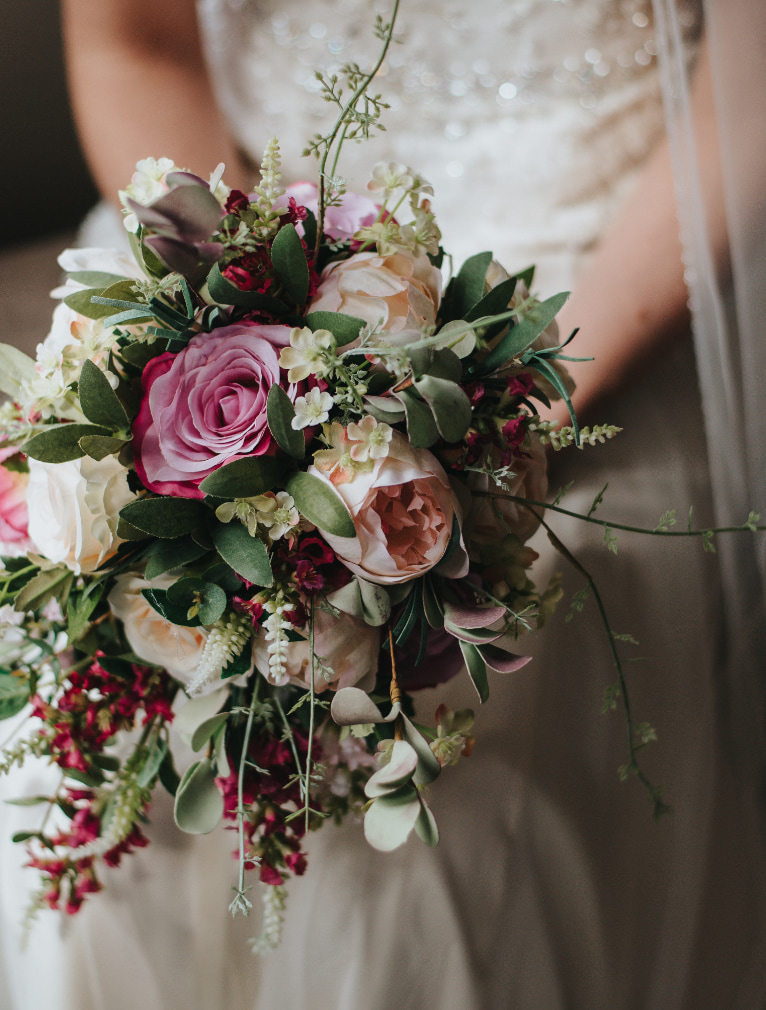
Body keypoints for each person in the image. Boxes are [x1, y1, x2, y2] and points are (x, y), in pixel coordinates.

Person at [1, 0, 764, 1006]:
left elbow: (746, 100)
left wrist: (515, 407)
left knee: (447, 835)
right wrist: (243, 322)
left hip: (606, 295)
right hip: (237, 234)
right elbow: (130, 37)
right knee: (91, 777)